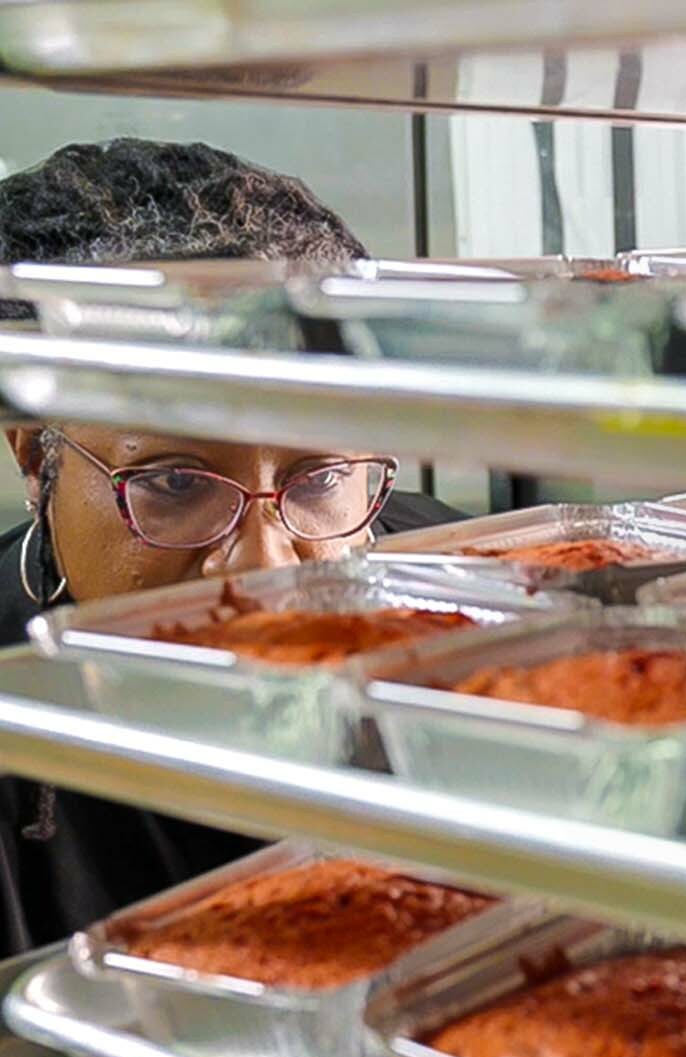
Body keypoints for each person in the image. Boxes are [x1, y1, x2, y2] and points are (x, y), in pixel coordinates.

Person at [0, 138, 464, 954]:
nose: (263, 564)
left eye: (319, 478)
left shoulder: (473, 602)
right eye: (176, 483)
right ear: (38, 454)